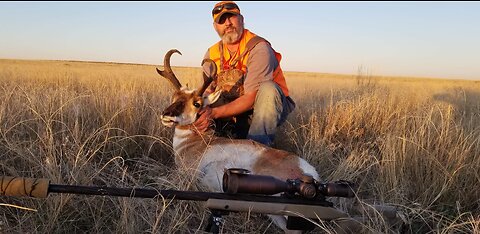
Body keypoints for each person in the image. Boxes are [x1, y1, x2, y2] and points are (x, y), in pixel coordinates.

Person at [194, 1, 296, 147]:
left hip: (263, 106)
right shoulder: (212, 53)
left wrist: (214, 113)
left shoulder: (258, 47)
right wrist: (202, 111)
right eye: (221, 20)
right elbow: (208, 91)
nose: (227, 23)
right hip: (232, 108)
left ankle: (257, 149)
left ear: (241, 19)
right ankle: (216, 143)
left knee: (268, 90)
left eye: (232, 17)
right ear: (215, 27)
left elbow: (251, 97)